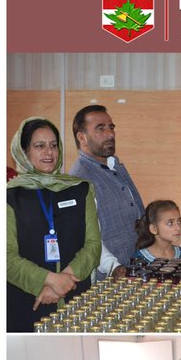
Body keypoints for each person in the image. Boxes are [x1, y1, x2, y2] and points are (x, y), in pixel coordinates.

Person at [7, 118, 101, 332]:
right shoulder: (10, 196)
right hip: (28, 299)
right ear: (24, 152)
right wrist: (48, 281)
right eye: (39, 146)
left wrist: (63, 283)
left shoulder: (80, 189)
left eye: (53, 145)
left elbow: (93, 245)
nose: (48, 152)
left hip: (76, 297)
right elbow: (5, 256)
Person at [68, 105, 145, 276]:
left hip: (135, 271)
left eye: (111, 127)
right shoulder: (80, 179)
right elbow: (87, 238)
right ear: (82, 137)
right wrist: (114, 267)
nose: (110, 134)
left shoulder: (113, 165)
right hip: (110, 281)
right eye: (100, 128)